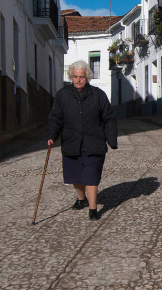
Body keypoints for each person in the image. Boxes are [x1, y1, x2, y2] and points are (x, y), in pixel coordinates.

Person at [47, 60, 117, 220]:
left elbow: (109, 117)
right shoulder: (62, 95)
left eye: (82, 77)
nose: (78, 80)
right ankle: (81, 199)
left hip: (94, 143)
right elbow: (56, 117)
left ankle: (93, 209)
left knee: (91, 176)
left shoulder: (98, 95)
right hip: (72, 142)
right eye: (75, 76)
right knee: (75, 176)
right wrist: (51, 135)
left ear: (88, 77)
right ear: (71, 77)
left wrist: (111, 139)